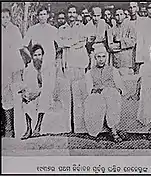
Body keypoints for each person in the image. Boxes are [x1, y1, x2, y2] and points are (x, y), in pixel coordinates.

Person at [84, 44, 127, 142]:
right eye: (98, 57)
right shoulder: (90, 72)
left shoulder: (113, 70)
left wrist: (113, 90)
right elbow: (89, 90)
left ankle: (113, 130)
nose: (101, 59)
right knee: (95, 101)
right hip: (97, 95)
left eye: (103, 56)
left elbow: (121, 87)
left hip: (110, 93)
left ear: (106, 57)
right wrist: (100, 90)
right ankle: (107, 131)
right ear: (95, 58)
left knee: (111, 96)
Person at [22, 6, 59, 120]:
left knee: (48, 90)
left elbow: (60, 45)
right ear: (37, 17)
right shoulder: (32, 29)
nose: (42, 17)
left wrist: (53, 58)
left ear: (48, 15)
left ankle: (44, 122)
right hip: (36, 64)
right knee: (34, 89)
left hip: (49, 64)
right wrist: (32, 58)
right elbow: (23, 46)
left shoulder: (53, 30)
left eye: (44, 14)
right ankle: (32, 118)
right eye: (40, 15)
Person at [58, 4, 89, 133]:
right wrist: (73, 43)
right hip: (67, 65)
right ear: (67, 14)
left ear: (76, 14)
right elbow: (60, 44)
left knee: (79, 97)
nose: (71, 15)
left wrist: (68, 43)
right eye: (69, 12)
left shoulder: (82, 27)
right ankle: (68, 127)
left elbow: (83, 42)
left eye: (73, 12)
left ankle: (80, 127)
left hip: (79, 64)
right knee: (67, 98)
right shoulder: (62, 28)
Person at [1, 8, 24, 138]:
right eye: (2, 17)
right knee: (5, 96)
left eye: (6, 17)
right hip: (3, 68)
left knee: (17, 94)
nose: (4, 19)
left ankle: (19, 127)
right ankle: (8, 127)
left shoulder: (14, 29)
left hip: (14, 66)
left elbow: (18, 47)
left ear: (10, 18)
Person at [19, 44, 44, 139]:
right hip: (32, 93)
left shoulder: (45, 68)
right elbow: (25, 84)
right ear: (32, 56)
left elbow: (46, 87)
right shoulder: (28, 69)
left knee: (43, 99)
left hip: (42, 94)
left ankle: (38, 127)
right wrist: (25, 94)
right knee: (24, 100)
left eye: (40, 55)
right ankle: (28, 129)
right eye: (35, 55)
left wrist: (36, 94)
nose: (38, 57)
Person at [108, 8, 137, 76]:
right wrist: (125, 46)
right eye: (117, 15)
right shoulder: (111, 30)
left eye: (121, 14)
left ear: (124, 15)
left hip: (127, 61)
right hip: (116, 61)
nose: (119, 17)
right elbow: (110, 47)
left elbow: (133, 42)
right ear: (114, 16)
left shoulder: (130, 27)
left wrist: (120, 41)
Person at [128, 2, 146, 74]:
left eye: (134, 7)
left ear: (137, 8)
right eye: (130, 7)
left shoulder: (143, 21)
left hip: (141, 53)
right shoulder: (126, 22)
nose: (132, 9)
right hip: (129, 54)